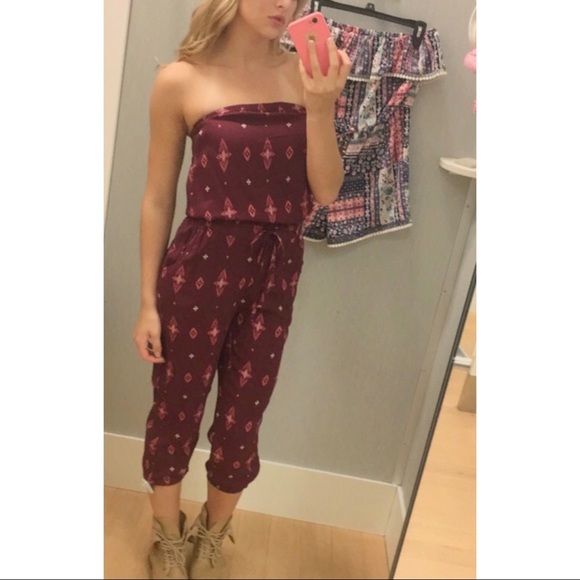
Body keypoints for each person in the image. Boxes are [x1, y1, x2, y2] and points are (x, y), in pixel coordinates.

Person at [132, 1, 351, 578]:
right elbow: (157, 197)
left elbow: (327, 190)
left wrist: (321, 105)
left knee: (242, 416)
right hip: (198, 269)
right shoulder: (179, 80)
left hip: (276, 271)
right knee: (175, 407)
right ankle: (167, 536)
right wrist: (148, 302)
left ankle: (213, 533)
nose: (286, 4)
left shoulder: (307, 76)